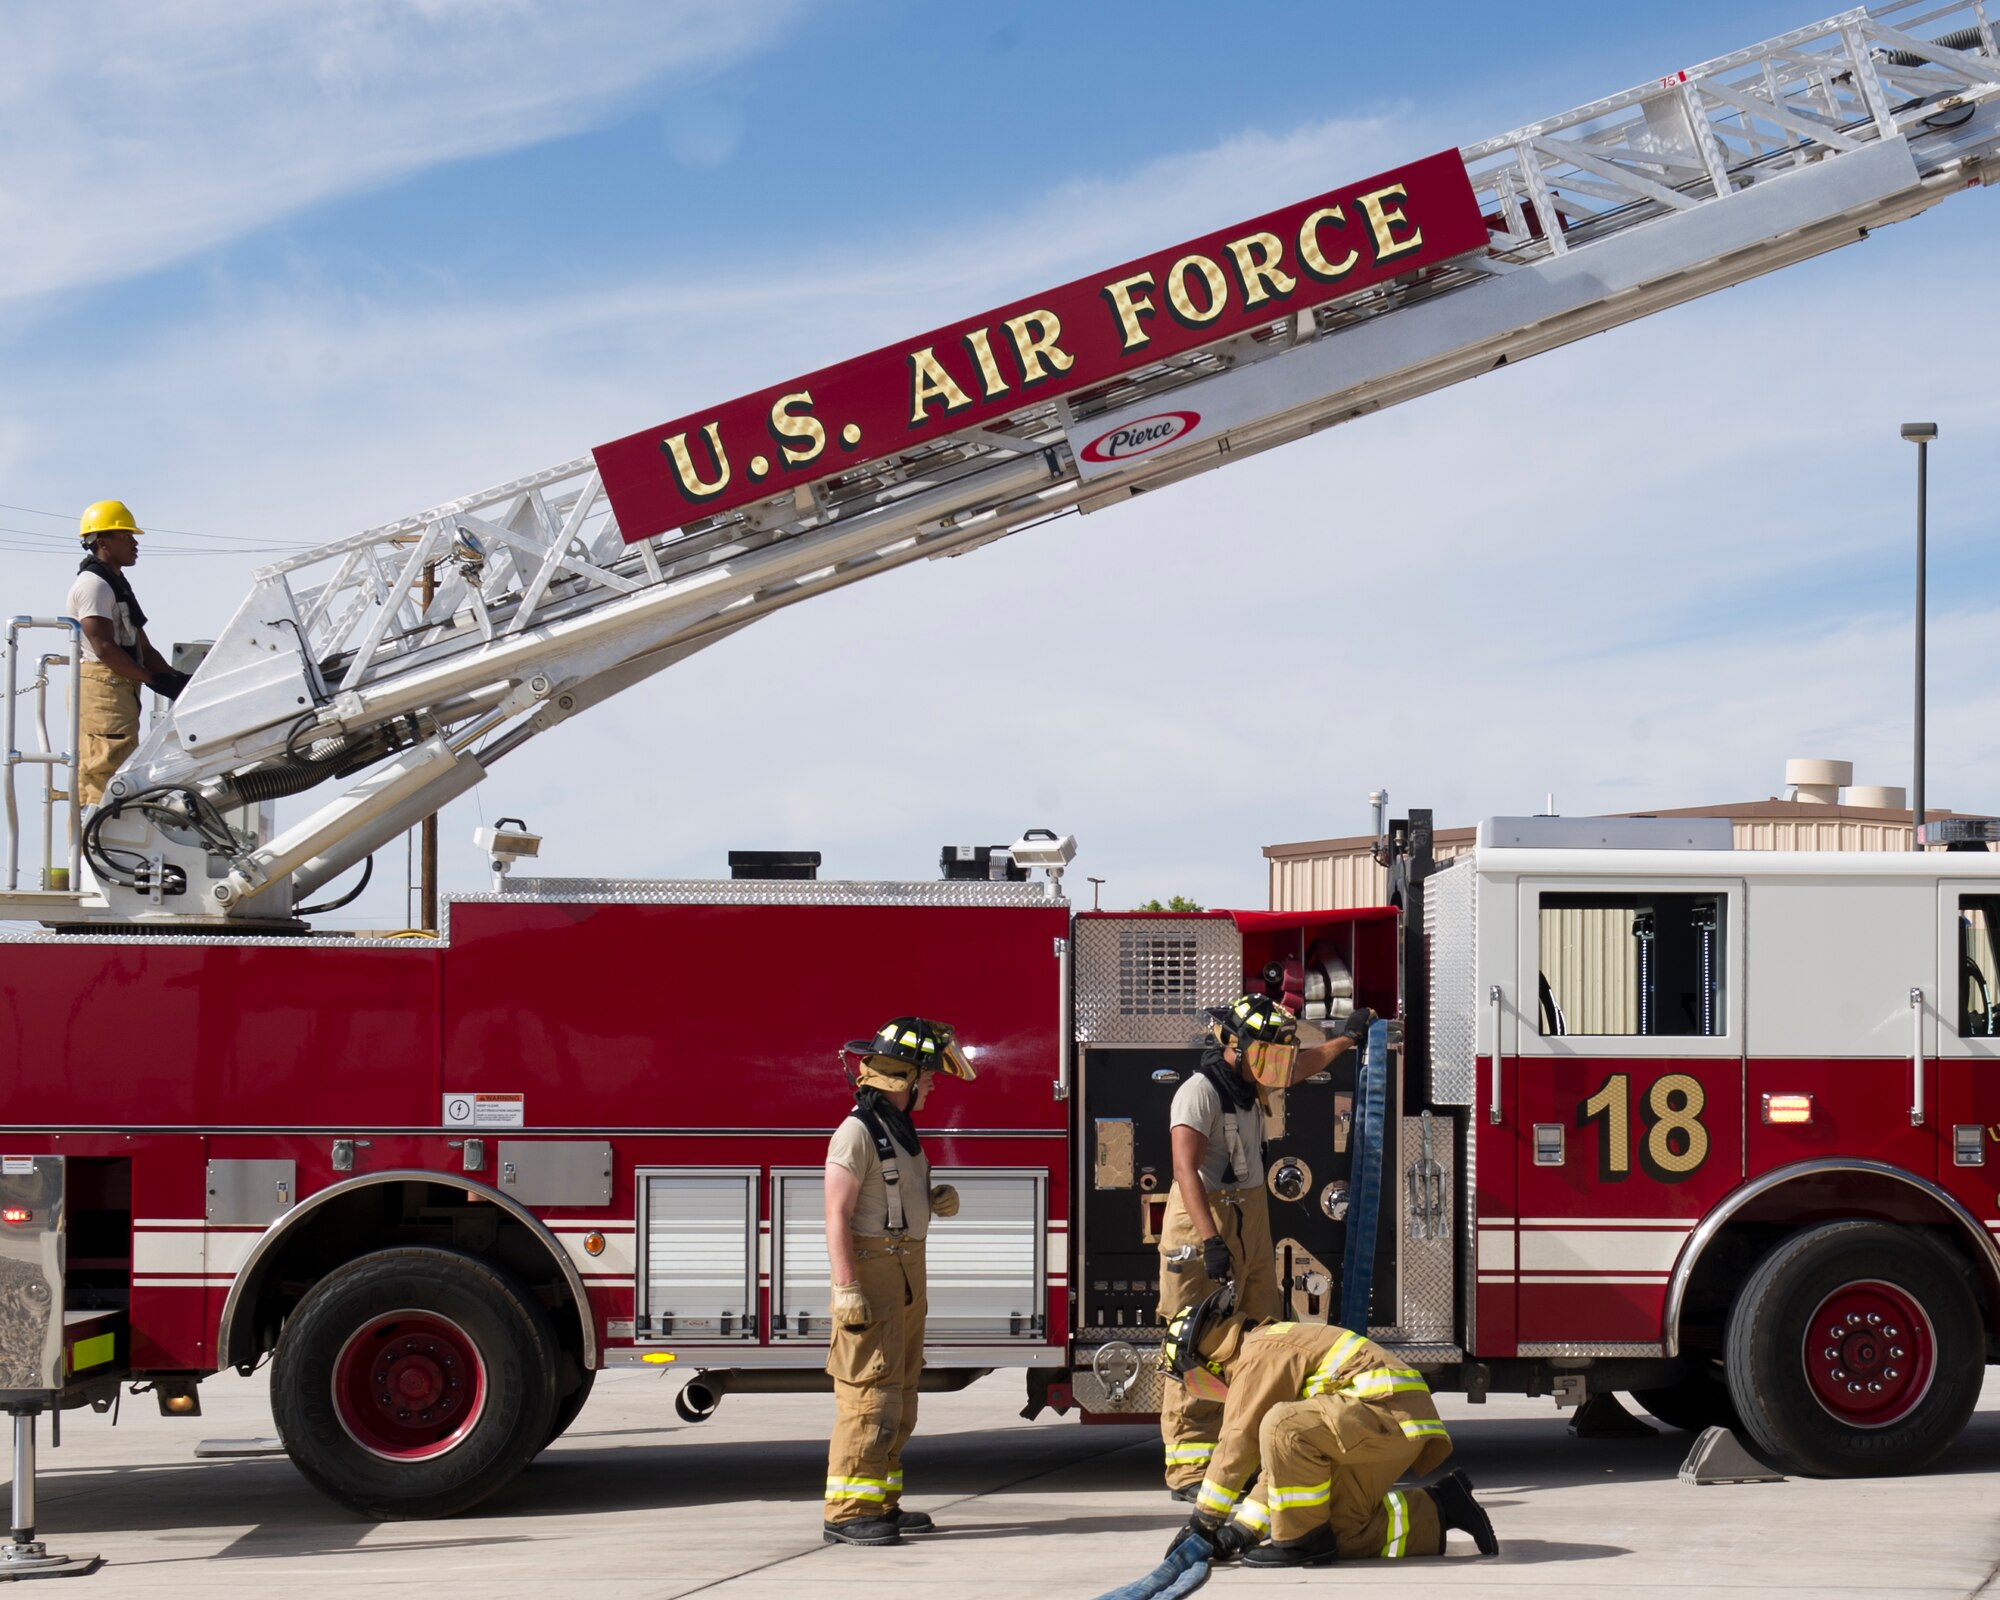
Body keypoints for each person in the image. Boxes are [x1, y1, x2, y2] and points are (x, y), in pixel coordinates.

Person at [1157, 992, 1372, 1499]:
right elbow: (1184, 1169)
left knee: (1260, 1337)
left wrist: (1347, 1038)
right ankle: (1189, 1470)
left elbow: (1299, 1067)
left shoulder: (1251, 1081)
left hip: (1248, 1214)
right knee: (1197, 1339)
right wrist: (1210, 1240)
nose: (1276, 1064)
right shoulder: (1199, 1092)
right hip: (1203, 1215)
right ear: (1235, 1044)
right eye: (1268, 1051)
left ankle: (1244, 1454)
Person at [1161, 1289, 1498, 1567]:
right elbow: (1281, 1471)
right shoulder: (1264, 1348)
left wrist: (1203, 1523)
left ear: (1210, 1360)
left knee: (1279, 1424)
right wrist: (1241, 1532)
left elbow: (1238, 1443)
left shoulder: (1258, 1353)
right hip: (1386, 1421)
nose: (1203, 1393)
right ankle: (1444, 1508)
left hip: (1383, 1413)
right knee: (1338, 1531)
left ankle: (1299, 1542)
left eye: (1194, 1382)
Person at [821, 1016, 973, 1547]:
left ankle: (881, 1501)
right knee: (869, 1394)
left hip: (905, 1271)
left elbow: (884, 1196)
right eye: (926, 1076)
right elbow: (836, 1215)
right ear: (901, 1078)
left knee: (899, 1394)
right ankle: (847, 1511)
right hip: (874, 1274)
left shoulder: (896, 1131)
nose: (931, 1085)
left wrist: (931, 1201)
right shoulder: (856, 1132)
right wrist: (847, 1288)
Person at [65, 500, 187, 806]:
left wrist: (174, 679)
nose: (134, 542)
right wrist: (150, 678)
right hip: (103, 688)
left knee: (118, 767)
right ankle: (94, 848)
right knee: (104, 772)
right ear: (102, 542)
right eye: (126, 536)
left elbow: (141, 645)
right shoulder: (93, 586)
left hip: (118, 687)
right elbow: (104, 648)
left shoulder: (116, 584)